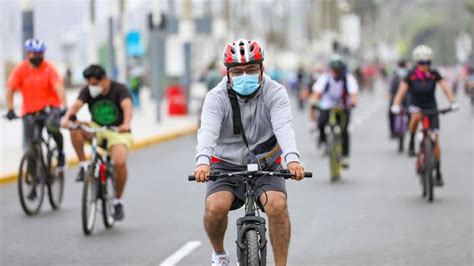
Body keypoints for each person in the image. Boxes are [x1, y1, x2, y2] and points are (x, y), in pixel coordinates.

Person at [192, 39, 305, 266]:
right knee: (215, 207)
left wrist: (292, 159)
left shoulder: (276, 92)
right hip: (226, 163)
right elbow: (207, 131)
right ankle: (219, 254)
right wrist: (203, 162)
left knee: (277, 205)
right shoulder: (216, 97)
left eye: (251, 70)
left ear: (262, 69)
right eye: (238, 71)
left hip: (266, 163)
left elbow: (284, 127)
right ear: (228, 73)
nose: (245, 75)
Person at [60, 64, 133, 220]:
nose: (92, 87)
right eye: (89, 84)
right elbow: (76, 106)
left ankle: (117, 201)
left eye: (95, 84)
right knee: (75, 128)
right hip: (95, 128)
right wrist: (66, 119)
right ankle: (83, 165)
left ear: (104, 80)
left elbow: (127, 107)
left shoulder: (119, 89)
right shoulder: (87, 90)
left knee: (119, 162)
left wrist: (126, 124)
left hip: (117, 131)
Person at [391, 45, 458, 186]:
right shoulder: (410, 75)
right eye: (422, 63)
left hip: (431, 107)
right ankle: (411, 142)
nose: (425, 66)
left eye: (427, 63)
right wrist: (396, 105)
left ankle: (438, 172)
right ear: (417, 63)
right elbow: (401, 92)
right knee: (415, 116)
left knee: (435, 140)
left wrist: (452, 102)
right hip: (416, 105)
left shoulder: (434, 74)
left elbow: (445, 88)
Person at [5, 38, 67, 176]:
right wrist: (10, 110)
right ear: (27, 54)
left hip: (51, 108)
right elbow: (10, 90)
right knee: (31, 145)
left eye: (40, 54)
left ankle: (61, 154)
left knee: (53, 128)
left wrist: (64, 106)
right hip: (30, 110)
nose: (37, 56)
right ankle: (33, 178)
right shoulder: (20, 69)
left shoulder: (49, 69)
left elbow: (59, 88)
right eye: (33, 53)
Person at [310, 54, 359, 167]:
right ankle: (322, 143)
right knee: (321, 122)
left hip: (342, 106)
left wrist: (353, 103)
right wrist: (313, 101)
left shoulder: (348, 78)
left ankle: (345, 156)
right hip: (327, 105)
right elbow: (316, 93)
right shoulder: (325, 77)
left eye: (337, 69)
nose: (335, 72)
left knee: (344, 130)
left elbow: (353, 94)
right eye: (333, 69)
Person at [388, 60, 410, 138]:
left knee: (411, 111)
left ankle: (408, 127)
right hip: (397, 97)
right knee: (391, 112)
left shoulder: (409, 74)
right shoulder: (395, 75)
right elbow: (391, 88)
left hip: (406, 97)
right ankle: (393, 131)